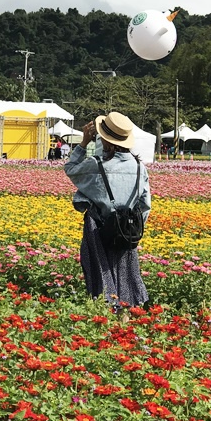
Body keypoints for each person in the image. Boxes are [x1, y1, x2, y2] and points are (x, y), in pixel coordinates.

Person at [64, 111, 151, 315]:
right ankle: (126, 321)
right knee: (127, 275)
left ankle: (104, 321)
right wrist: (130, 228)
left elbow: (70, 168)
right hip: (128, 229)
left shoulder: (96, 165)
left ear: (104, 138)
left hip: (98, 229)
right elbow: (145, 205)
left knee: (100, 276)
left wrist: (84, 143)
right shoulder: (139, 167)